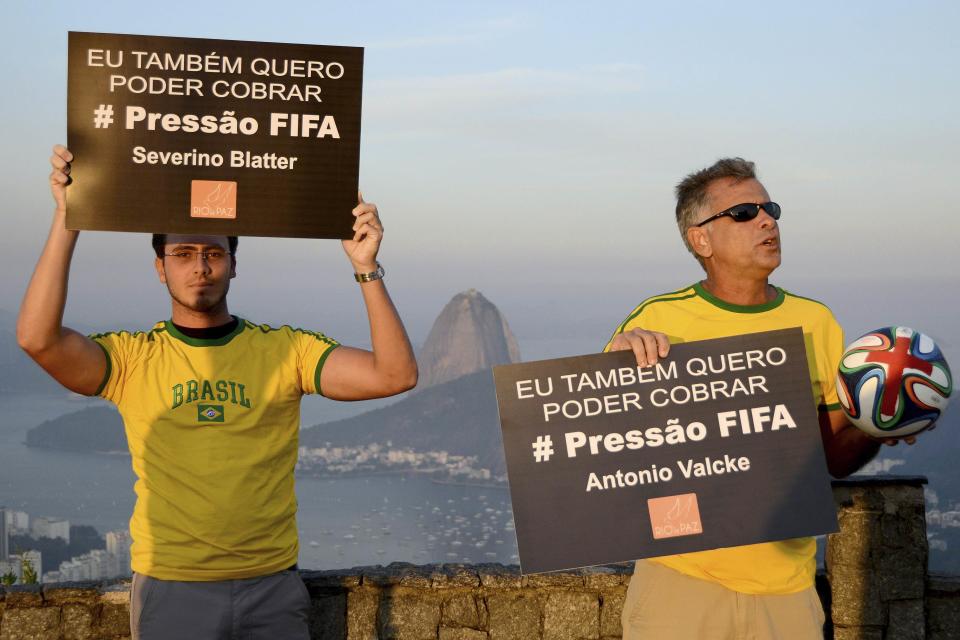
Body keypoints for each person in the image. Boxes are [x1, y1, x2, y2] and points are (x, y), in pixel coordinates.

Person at [17, 144, 418, 639]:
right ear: (160, 267)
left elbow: (394, 375)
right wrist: (69, 216)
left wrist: (366, 267)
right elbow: (37, 339)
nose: (199, 267)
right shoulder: (133, 358)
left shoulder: (286, 349)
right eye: (182, 254)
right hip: (171, 586)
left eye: (212, 253)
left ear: (233, 263)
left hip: (272, 585)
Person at [605, 157, 913, 639]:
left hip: (788, 591)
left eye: (769, 207)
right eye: (744, 213)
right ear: (700, 239)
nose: (767, 219)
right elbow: (612, 446)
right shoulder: (659, 318)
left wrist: (875, 426)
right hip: (680, 583)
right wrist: (617, 361)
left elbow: (833, 457)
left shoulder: (817, 322)